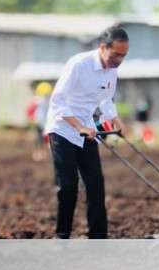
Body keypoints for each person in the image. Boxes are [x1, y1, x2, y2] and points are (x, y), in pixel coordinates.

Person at [44, 26, 129, 239]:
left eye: (123, 56)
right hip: (62, 129)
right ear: (102, 47)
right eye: (115, 54)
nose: (119, 60)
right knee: (69, 186)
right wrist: (79, 127)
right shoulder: (78, 64)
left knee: (95, 185)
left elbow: (106, 99)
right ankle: (62, 235)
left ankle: (98, 237)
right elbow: (58, 100)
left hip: (87, 130)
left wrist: (115, 120)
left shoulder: (112, 70)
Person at [32, 82, 52, 162]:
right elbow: (31, 111)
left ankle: (44, 154)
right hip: (41, 123)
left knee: (45, 140)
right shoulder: (38, 101)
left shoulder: (48, 101)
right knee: (40, 140)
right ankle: (40, 154)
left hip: (46, 124)